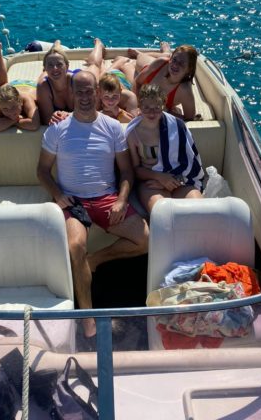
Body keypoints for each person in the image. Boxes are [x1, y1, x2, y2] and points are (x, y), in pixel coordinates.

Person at [37, 70, 149, 342]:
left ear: (98, 92)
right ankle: (87, 317)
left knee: (146, 239)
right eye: (80, 91)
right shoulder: (57, 130)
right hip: (73, 200)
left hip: (106, 198)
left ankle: (94, 262)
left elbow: (126, 172)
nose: (85, 97)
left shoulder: (113, 129)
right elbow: (42, 170)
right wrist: (58, 194)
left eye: (90, 91)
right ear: (72, 94)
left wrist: (122, 199)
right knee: (75, 245)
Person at [126, 84, 204, 213]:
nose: (152, 112)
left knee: (199, 210)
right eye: (146, 107)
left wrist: (174, 179)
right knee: (163, 213)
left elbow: (190, 162)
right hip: (150, 182)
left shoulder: (177, 126)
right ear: (139, 106)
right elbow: (136, 169)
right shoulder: (133, 133)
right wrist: (160, 177)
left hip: (179, 179)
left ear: (163, 106)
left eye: (156, 107)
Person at [36, 39, 105, 125]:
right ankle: (56, 45)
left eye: (59, 64)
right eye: (50, 65)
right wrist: (54, 117)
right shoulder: (43, 86)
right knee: (53, 61)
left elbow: (94, 108)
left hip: (75, 78)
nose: (55, 68)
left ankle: (99, 45)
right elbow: (46, 118)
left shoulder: (78, 81)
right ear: (45, 68)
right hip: (49, 79)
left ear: (67, 66)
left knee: (94, 65)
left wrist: (67, 116)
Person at [0, 39, 40, 132]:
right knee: (3, 86)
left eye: (14, 107)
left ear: (20, 102)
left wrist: (11, 121)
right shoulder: (1, 101)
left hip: (30, 87)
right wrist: (15, 120)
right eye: (5, 109)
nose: (11, 112)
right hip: (13, 86)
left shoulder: (26, 99)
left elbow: (34, 124)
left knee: (43, 87)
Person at [133, 45, 199, 121]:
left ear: (189, 69)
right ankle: (139, 53)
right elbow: (137, 82)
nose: (175, 65)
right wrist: (139, 105)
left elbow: (189, 118)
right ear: (170, 60)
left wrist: (166, 112)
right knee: (136, 58)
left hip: (158, 65)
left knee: (167, 55)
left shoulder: (185, 90)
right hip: (145, 66)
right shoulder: (160, 63)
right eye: (174, 60)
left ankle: (167, 52)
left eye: (181, 63)